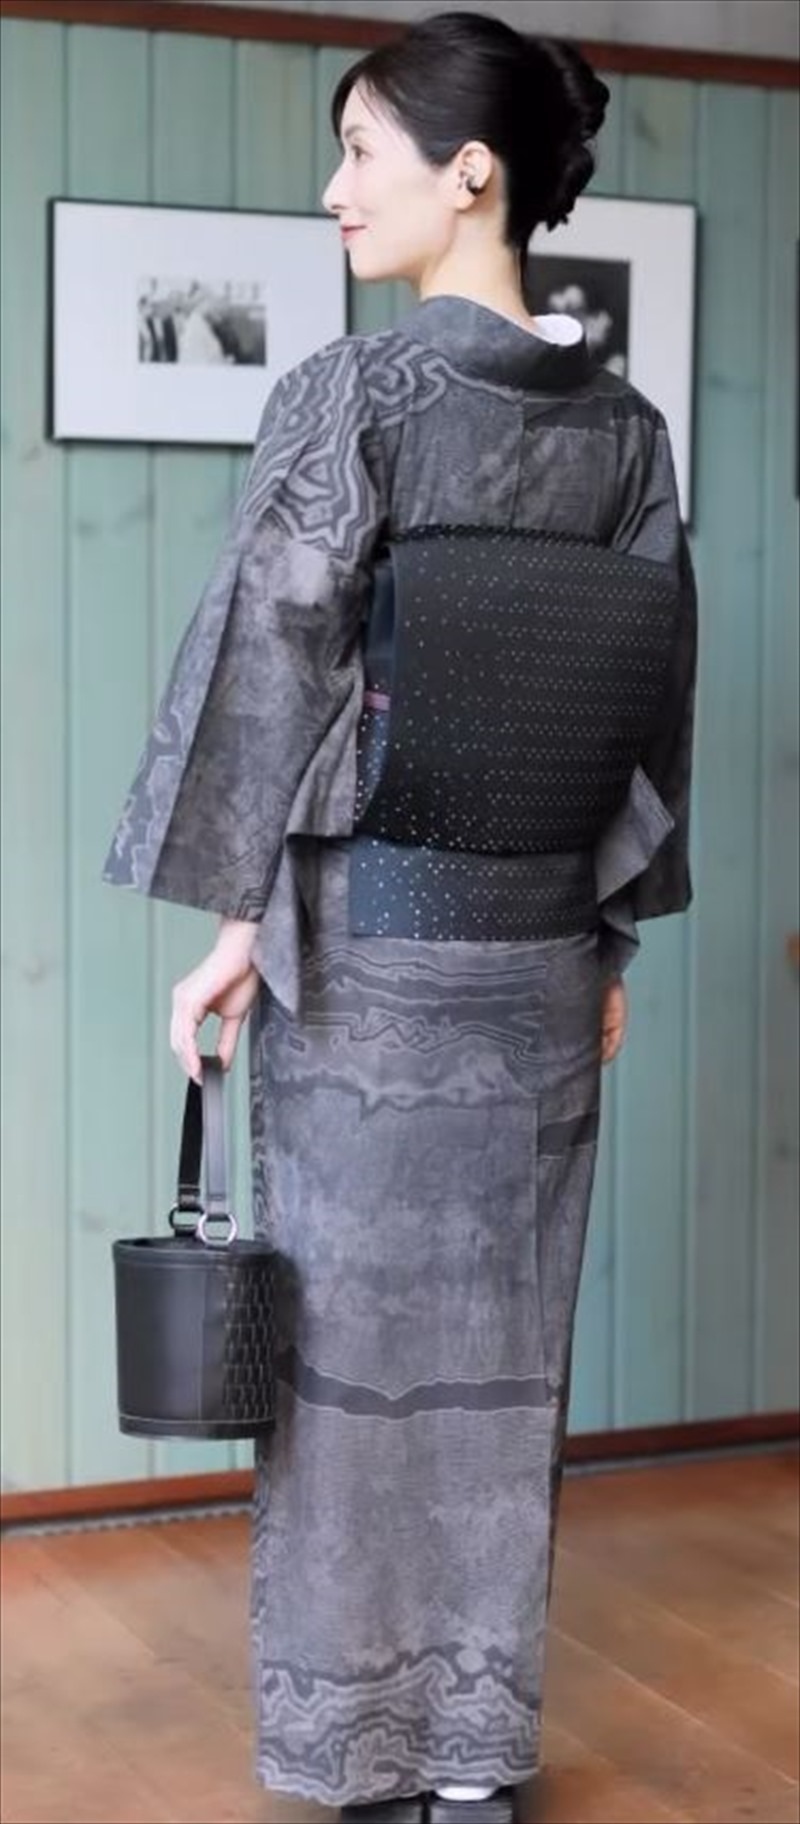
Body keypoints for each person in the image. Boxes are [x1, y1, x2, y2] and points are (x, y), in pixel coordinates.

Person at [103, 12, 696, 1823]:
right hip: (542, 960)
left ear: (471, 172)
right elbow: (650, 703)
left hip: (371, 958)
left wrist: (230, 928)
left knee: (351, 1372)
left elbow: (268, 665)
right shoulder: (628, 431)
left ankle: (362, 1756)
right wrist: (612, 938)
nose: (333, 190)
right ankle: (473, 1767)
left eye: (361, 150)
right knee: (507, 1368)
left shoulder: (352, 398)